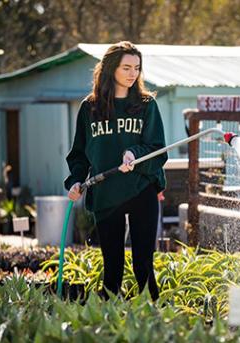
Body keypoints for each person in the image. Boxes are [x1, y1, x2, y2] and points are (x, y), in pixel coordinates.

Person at [64, 41, 167, 301]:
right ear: (111, 69)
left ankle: (153, 317)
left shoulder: (146, 105)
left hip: (141, 188)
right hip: (105, 193)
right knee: (112, 267)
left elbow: (157, 149)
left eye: (137, 68)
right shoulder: (90, 107)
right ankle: (109, 320)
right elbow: (79, 153)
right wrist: (76, 181)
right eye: (126, 67)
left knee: (143, 263)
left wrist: (135, 154)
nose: (133, 74)